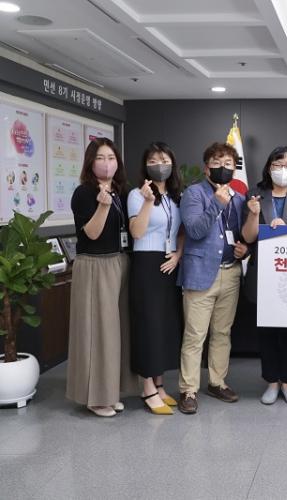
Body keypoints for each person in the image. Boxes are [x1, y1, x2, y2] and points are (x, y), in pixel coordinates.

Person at [66, 138, 138, 417]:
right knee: (97, 332)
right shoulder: (83, 193)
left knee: (116, 332)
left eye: (111, 158)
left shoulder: (121, 191)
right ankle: (95, 397)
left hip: (119, 262)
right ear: (90, 162)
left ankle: (110, 391)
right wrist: (103, 206)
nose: (106, 164)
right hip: (95, 265)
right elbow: (92, 233)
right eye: (100, 158)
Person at [177, 142, 249, 414]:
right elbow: (195, 230)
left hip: (230, 273)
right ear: (206, 168)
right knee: (195, 334)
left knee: (222, 332)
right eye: (217, 163)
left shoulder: (238, 198)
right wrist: (217, 203)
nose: (223, 168)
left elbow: (241, 234)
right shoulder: (193, 194)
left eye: (229, 164)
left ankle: (217, 382)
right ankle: (188, 389)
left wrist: (244, 249)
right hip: (200, 273)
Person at [241, 146, 287, 405]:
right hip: (263, 272)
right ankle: (272, 381)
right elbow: (248, 236)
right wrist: (254, 215)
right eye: (278, 165)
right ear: (269, 167)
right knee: (268, 331)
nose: (284, 170)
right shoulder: (255, 194)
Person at [128, 142, 184, 415]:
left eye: (164, 159)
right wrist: (149, 201)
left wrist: (178, 256)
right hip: (146, 263)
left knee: (164, 325)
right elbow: (137, 232)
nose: (159, 164)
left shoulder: (175, 196)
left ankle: (160, 384)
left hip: (169, 263)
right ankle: (147, 387)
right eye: (153, 160)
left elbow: (182, 232)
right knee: (148, 325)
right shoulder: (136, 195)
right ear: (145, 166)